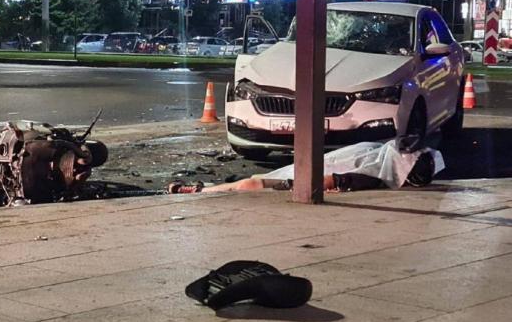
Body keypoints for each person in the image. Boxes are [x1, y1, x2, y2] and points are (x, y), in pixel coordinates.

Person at [168, 139, 444, 194]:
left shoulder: (372, 163)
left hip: (298, 175)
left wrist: (292, 186)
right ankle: (203, 189)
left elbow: (331, 180)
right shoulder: (374, 166)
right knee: (253, 181)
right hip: (300, 172)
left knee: (252, 183)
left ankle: (199, 191)